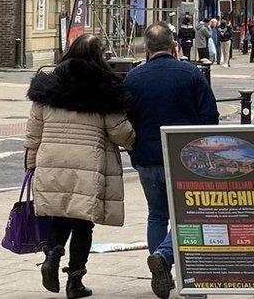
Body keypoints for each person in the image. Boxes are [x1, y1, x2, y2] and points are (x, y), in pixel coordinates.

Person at [25, 33, 135, 298]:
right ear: (99, 56)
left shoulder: (47, 86)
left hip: (51, 162)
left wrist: (31, 164)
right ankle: (75, 282)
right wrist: (134, 140)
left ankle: (52, 253)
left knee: (61, 214)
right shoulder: (106, 89)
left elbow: (33, 132)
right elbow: (120, 132)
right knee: (83, 223)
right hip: (88, 163)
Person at [124, 23, 219, 299]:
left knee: (157, 214)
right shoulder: (191, 74)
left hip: (147, 159)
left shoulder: (133, 78)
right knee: (189, 216)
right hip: (185, 159)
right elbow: (209, 116)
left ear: (147, 49)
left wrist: (134, 152)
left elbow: (125, 122)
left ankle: (161, 267)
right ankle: (169, 261)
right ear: (174, 46)